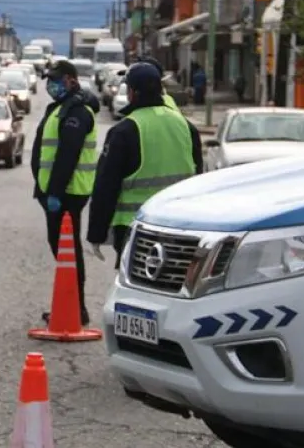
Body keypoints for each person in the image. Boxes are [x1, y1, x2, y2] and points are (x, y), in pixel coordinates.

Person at [87, 63, 204, 265]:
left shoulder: (124, 131)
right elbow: (198, 177)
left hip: (135, 229)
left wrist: (97, 233)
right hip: (180, 227)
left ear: (131, 93)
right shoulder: (186, 126)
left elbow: (106, 186)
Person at [30, 60, 99, 326]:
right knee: (61, 249)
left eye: (57, 80)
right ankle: (70, 304)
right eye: (49, 80)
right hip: (54, 193)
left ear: (71, 80)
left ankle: (75, 307)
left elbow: (67, 155)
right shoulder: (61, 108)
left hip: (68, 193)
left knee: (68, 251)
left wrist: (55, 192)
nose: (51, 85)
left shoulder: (77, 112)